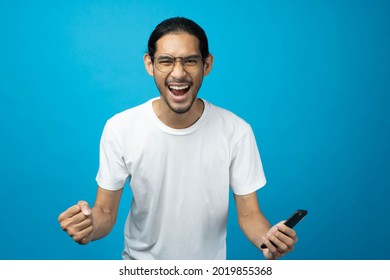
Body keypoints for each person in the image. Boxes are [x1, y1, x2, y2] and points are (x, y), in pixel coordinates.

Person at [58, 17, 298, 260]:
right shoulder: (120, 128)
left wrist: (268, 240)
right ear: (150, 64)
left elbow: (249, 215)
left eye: (190, 61)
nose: (179, 73)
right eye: (166, 61)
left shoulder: (236, 131)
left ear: (207, 65)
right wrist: (88, 227)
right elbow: (105, 212)